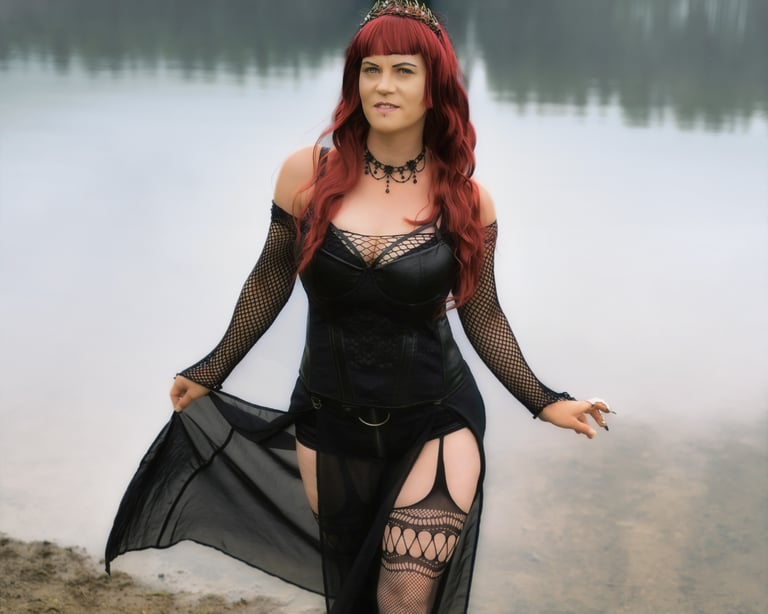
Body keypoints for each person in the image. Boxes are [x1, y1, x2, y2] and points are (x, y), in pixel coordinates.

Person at [105, 2, 612, 613]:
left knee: (403, 598)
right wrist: (212, 368)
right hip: (329, 418)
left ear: (435, 88)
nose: (383, 86)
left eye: (404, 70)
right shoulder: (307, 175)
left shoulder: (465, 200)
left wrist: (544, 400)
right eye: (371, 70)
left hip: (436, 420)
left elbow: (483, 312)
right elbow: (271, 276)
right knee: (352, 591)